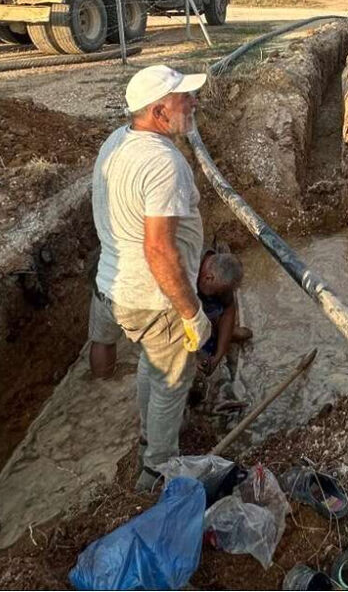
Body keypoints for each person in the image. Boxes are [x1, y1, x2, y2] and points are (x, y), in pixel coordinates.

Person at [87, 64, 213, 494]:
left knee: (152, 366)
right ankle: (157, 469)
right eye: (185, 99)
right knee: (173, 381)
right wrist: (191, 312)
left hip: (117, 288)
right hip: (153, 299)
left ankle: (146, 439)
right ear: (160, 112)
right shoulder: (163, 164)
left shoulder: (116, 142)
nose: (193, 103)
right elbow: (159, 249)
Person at [195, 247, 246, 371]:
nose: (221, 294)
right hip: (175, 309)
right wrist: (195, 355)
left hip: (199, 296)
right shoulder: (188, 271)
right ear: (208, 278)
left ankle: (220, 332)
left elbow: (229, 310)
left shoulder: (218, 274)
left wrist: (218, 355)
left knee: (217, 307)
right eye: (220, 291)